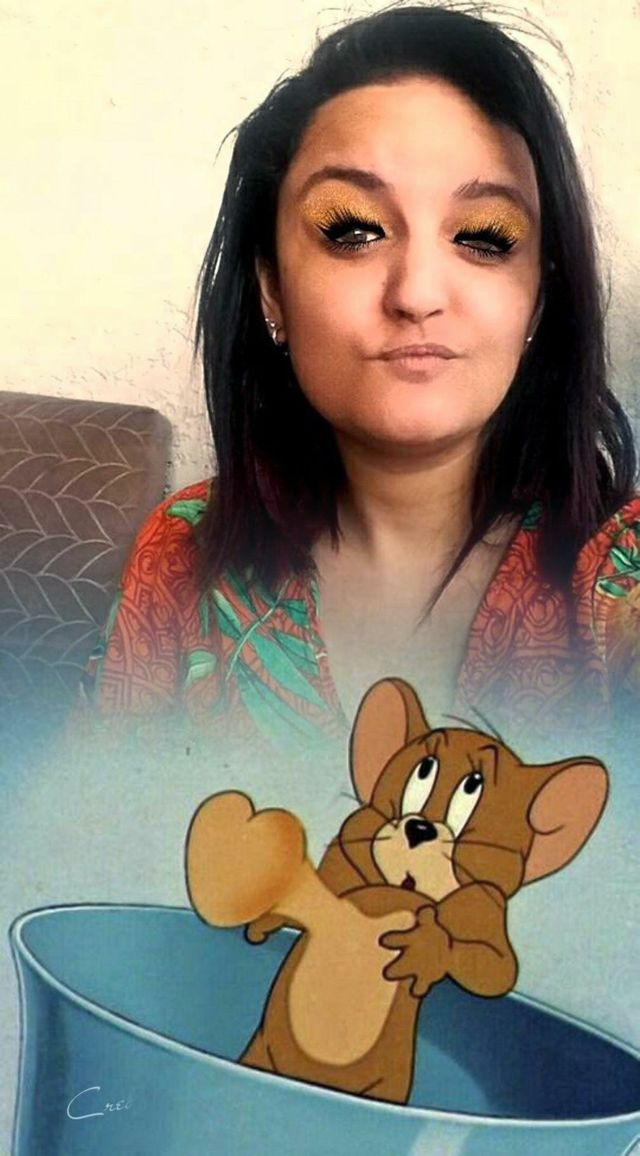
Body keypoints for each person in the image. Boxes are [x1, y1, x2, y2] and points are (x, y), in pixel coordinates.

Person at [83, 2, 639, 759]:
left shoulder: (620, 576)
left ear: (539, 296)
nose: (417, 293)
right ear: (273, 289)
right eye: (353, 230)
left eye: (484, 237)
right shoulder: (182, 555)